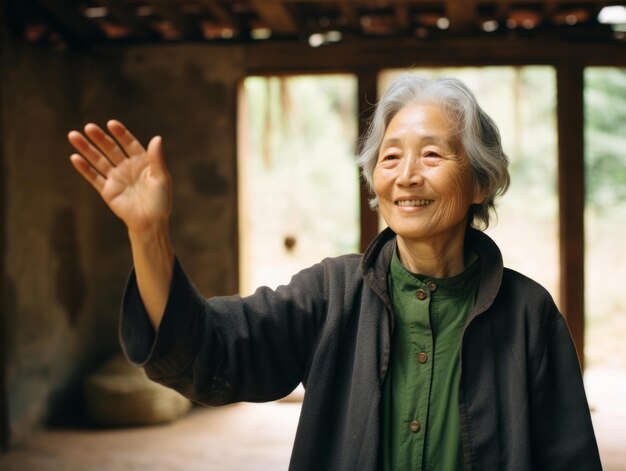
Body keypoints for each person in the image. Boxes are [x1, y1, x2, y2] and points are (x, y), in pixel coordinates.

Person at [68, 74, 601, 470]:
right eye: (390, 159)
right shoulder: (331, 295)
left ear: (480, 183)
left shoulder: (530, 316)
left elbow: (569, 457)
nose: (407, 176)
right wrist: (147, 232)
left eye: (433, 155)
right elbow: (209, 348)